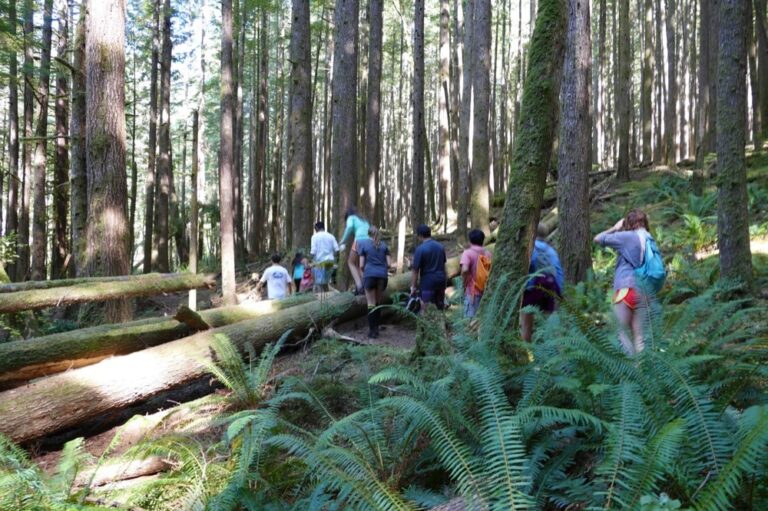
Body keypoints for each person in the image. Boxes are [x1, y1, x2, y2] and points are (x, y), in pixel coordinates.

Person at [593, 209, 653, 355]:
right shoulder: (650, 239)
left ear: (629, 223)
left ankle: (631, 372)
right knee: (639, 337)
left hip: (625, 290)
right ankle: (644, 371)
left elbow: (598, 238)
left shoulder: (627, 237)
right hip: (644, 291)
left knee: (622, 333)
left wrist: (615, 227)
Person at [520, 223, 564, 342]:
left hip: (532, 288)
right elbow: (558, 271)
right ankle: (558, 349)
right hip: (550, 287)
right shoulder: (551, 251)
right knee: (551, 320)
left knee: (526, 324)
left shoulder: (530, 248)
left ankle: (526, 350)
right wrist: (559, 291)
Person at [358, 226, 392, 339]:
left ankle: (372, 331)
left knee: (371, 303)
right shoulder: (384, 246)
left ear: (368, 234)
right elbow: (389, 264)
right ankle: (376, 328)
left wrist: (366, 271)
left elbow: (361, 265)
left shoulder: (363, 245)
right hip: (382, 276)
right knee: (377, 303)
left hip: (370, 275)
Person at [410, 224, 447, 309]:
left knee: (425, 308)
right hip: (441, 281)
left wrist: (413, 287)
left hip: (428, 283)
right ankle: (441, 322)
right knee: (440, 307)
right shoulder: (440, 247)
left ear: (420, 235)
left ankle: (426, 322)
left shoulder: (420, 249)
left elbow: (415, 270)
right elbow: (443, 265)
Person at [460, 229, 492, 318]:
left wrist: (463, 283)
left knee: (470, 321)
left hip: (472, 292)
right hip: (486, 291)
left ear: (470, 240)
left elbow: (465, 270)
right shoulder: (488, 253)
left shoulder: (467, 253)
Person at [339, 207, 370, 294]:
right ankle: (366, 285)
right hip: (369, 242)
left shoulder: (351, 218)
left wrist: (342, 241)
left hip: (359, 241)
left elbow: (349, 227)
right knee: (360, 265)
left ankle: (360, 286)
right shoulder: (363, 220)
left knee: (350, 262)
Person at [310, 221, 339, 291]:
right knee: (326, 283)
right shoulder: (331, 236)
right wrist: (335, 260)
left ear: (316, 228)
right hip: (330, 262)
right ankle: (327, 300)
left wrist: (310, 261)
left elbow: (313, 252)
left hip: (320, 263)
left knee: (319, 284)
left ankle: (321, 301)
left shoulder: (314, 237)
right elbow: (337, 250)